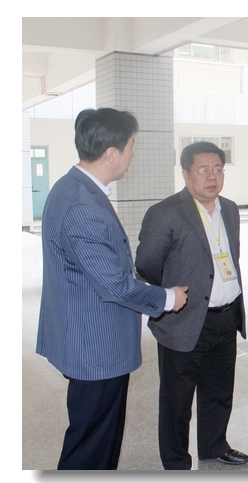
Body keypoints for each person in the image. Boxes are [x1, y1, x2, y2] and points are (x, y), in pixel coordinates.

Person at [36, 108, 188, 470]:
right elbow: (114, 285)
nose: (133, 154)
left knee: (98, 437)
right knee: (91, 445)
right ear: (111, 153)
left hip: (87, 337)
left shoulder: (75, 187)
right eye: (131, 146)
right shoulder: (81, 204)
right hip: (94, 346)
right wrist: (168, 298)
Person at [135, 141, 248, 470]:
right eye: (203, 170)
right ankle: (176, 463)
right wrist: (171, 296)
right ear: (186, 174)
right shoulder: (165, 213)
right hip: (184, 319)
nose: (212, 176)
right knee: (177, 400)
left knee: (219, 390)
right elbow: (146, 264)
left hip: (225, 317)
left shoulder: (230, 209)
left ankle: (214, 445)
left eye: (218, 169)